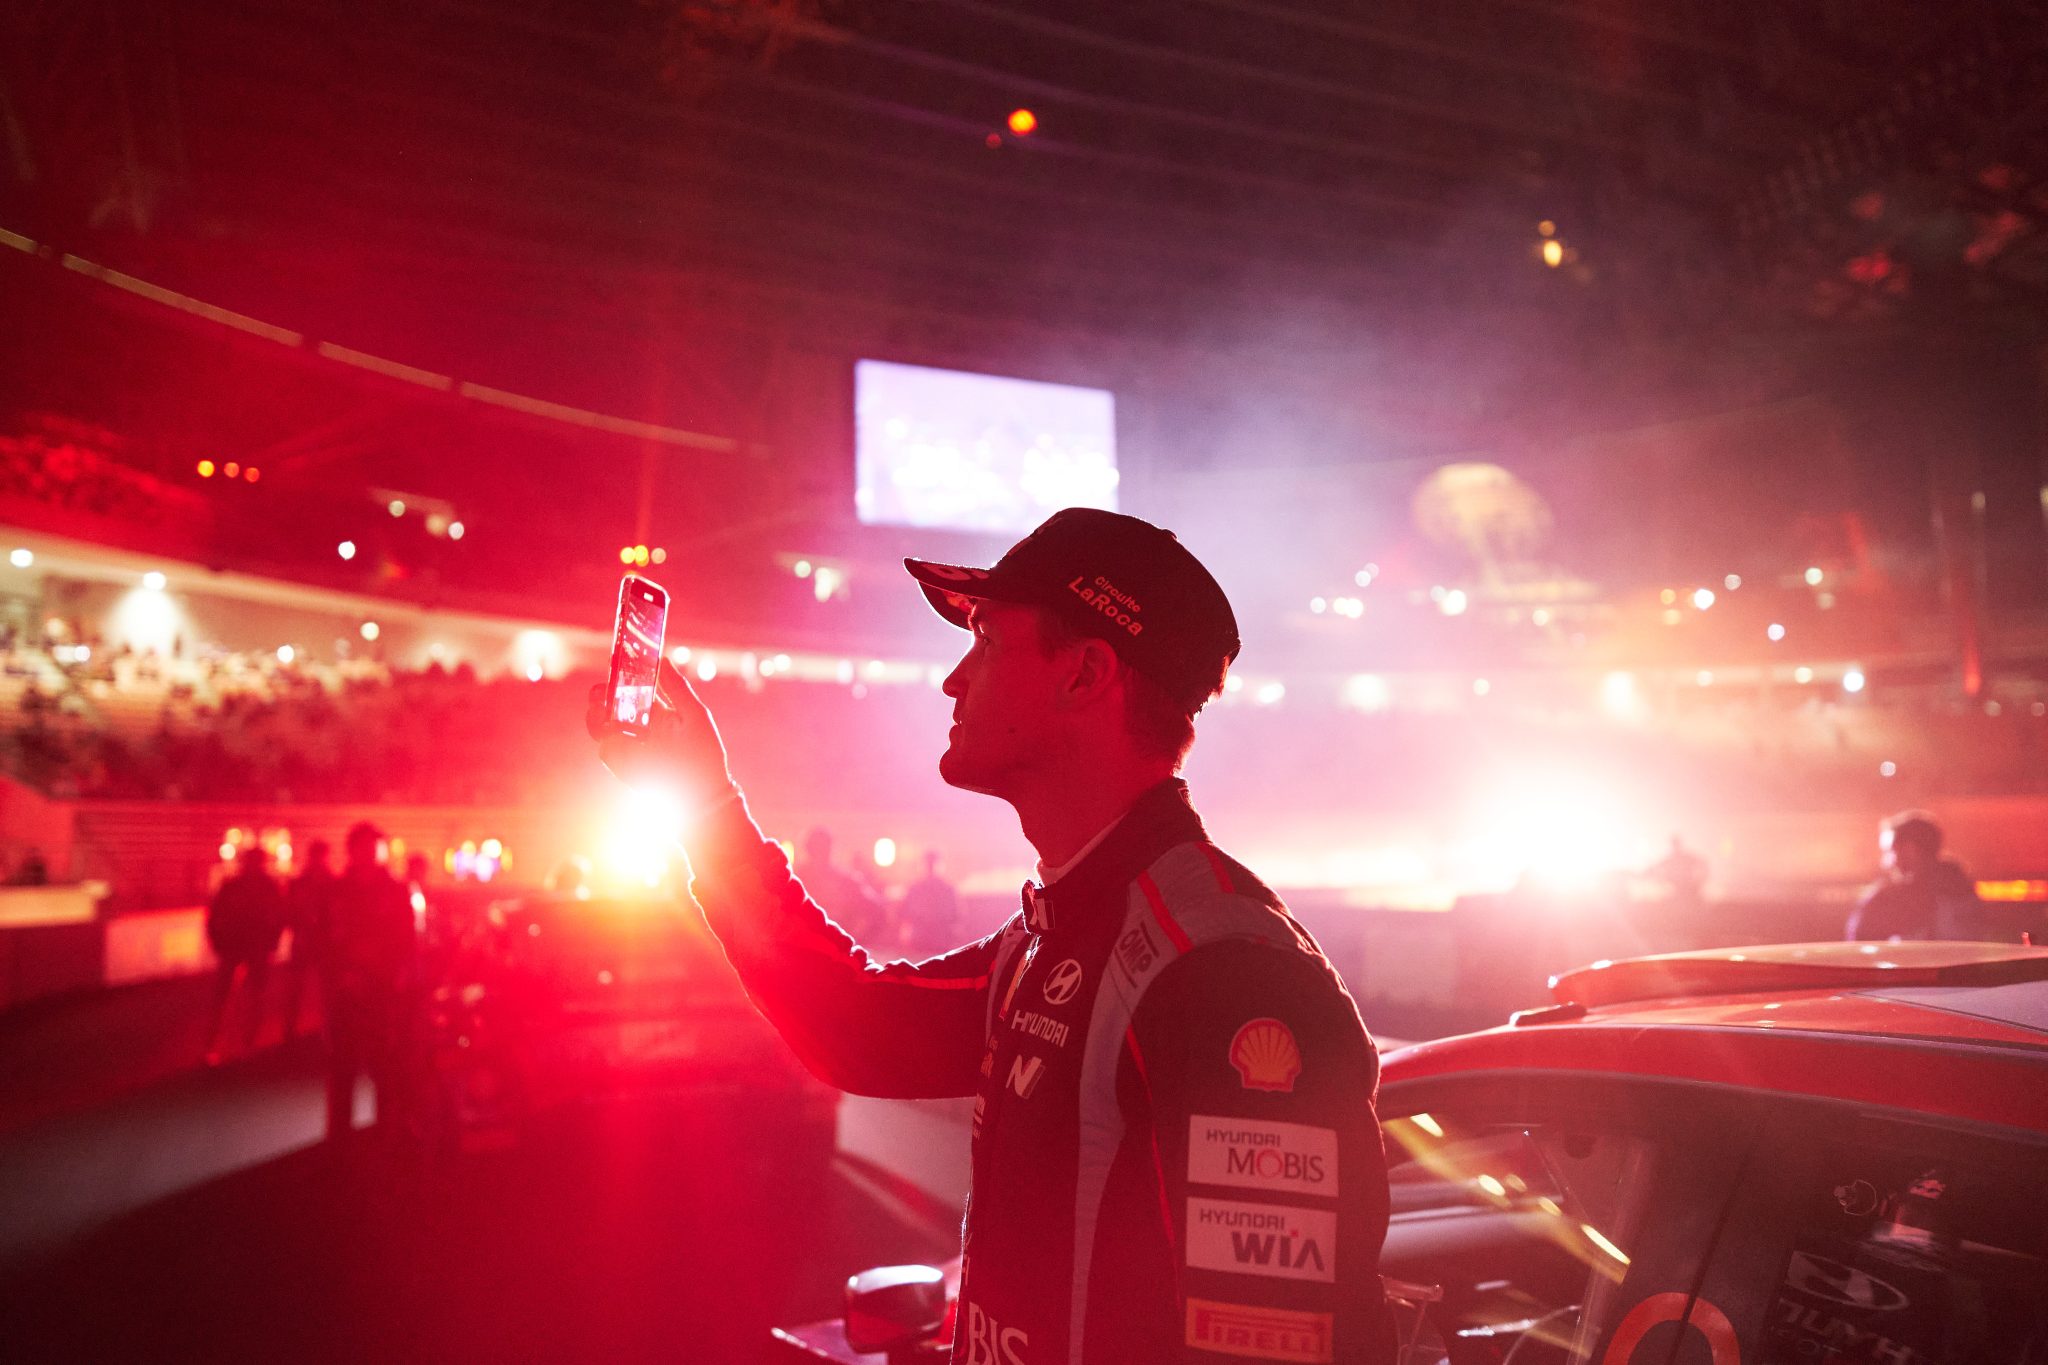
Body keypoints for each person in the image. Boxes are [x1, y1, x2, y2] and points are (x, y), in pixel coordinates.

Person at [592, 507, 1392, 1364]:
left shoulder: (1222, 972)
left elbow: (1278, 1347)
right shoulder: (1054, 936)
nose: (953, 679)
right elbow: (857, 1022)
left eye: (986, 639)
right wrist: (706, 806)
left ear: (1085, 674)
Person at [323, 820, 418, 1141]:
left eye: (373, 847)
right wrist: (341, 975)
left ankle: (386, 1133)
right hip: (344, 993)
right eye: (362, 846)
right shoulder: (336, 891)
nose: (368, 853)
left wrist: (390, 975)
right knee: (342, 1068)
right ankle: (339, 1137)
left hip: (382, 992)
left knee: (385, 1065)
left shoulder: (395, 891)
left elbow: (407, 940)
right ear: (351, 850)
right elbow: (323, 939)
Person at [1847, 810, 2001, 942]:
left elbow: (1859, 946)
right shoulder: (1964, 891)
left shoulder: (1889, 900)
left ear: (1910, 850)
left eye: (1890, 851)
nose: (1884, 862)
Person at [203, 845, 287, 1064]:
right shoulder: (246, 886)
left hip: (248, 947)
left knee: (246, 997)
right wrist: (217, 941)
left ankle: (238, 1043)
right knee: (233, 997)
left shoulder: (253, 887)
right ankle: (227, 1044)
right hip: (239, 946)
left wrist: (271, 943)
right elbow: (215, 915)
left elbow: (278, 917)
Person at [281, 839, 337, 1043]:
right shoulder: (308, 883)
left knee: (324, 989)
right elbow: (289, 911)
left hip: (320, 943)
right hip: (308, 941)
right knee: (299, 989)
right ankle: (292, 1031)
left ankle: (323, 1030)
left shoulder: (329, 883)